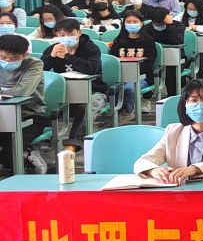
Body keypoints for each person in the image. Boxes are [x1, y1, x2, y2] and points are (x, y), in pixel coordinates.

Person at [133, 79, 203, 182]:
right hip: (180, 191)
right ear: (185, 104)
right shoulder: (173, 132)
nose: (200, 104)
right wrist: (154, 171)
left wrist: (194, 169)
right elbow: (142, 162)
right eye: (194, 100)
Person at [41, 18, 106, 150]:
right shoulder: (53, 48)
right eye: (62, 35)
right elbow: (40, 70)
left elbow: (91, 69)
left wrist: (68, 57)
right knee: (41, 104)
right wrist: (51, 56)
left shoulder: (91, 48)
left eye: (70, 34)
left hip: (92, 90)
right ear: (57, 35)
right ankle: (43, 138)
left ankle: (74, 142)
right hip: (63, 92)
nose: (66, 38)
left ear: (79, 33)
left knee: (87, 106)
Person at [0, 34, 47, 173]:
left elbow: (23, 91)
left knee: (10, 154)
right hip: (2, 115)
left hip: (29, 115)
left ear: (25, 54)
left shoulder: (34, 64)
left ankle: (29, 155)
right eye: (3, 57)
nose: (8, 61)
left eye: (14, 58)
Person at [109, 11, 157, 121]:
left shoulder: (149, 41)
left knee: (128, 88)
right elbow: (114, 61)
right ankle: (117, 112)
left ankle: (128, 112)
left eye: (135, 22)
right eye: (129, 22)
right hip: (121, 76)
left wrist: (131, 73)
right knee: (113, 88)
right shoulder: (118, 41)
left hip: (142, 77)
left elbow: (149, 64)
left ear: (141, 23)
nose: (132, 24)